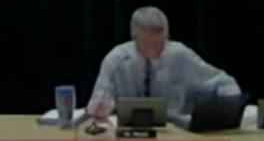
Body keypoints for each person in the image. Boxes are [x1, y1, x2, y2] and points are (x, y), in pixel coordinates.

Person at [87, 7, 240, 127]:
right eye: (151, 45)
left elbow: (225, 83)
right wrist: (101, 109)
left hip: (176, 130)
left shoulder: (180, 55)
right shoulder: (117, 60)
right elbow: (97, 106)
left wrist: (226, 110)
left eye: (162, 43)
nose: (158, 51)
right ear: (135, 38)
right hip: (127, 133)